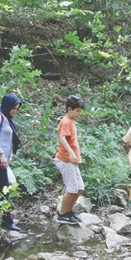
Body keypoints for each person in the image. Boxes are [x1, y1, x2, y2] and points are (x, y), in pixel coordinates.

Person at [0, 93, 23, 231]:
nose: (14, 111)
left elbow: (8, 140)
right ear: (7, 105)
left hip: (4, 160)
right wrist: (1, 154)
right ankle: (6, 221)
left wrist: (9, 156)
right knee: (4, 189)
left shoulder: (7, 119)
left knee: (0, 189)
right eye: (13, 108)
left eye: (17, 108)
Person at [55, 95, 85, 225]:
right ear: (69, 109)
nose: (78, 114)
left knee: (79, 188)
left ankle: (68, 212)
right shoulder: (66, 121)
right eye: (77, 111)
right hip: (66, 160)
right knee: (72, 189)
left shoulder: (71, 121)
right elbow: (62, 138)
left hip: (72, 161)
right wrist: (71, 153)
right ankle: (62, 214)